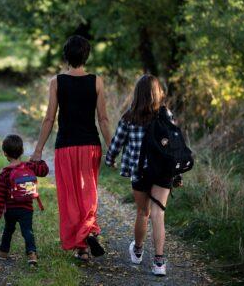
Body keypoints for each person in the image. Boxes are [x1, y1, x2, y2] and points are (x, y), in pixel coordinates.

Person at [30, 35, 113, 261]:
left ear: (66, 56)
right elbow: (103, 119)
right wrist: (112, 147)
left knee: (69, 196)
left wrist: (38, 150)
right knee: (88, 193)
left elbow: (49, 119)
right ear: (86, 56)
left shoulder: (57, 82)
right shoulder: (96, 81)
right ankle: (88, 231)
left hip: (65, 146)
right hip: (90, 146)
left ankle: (82, 247)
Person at [105, 74, 182, 276]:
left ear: (137, 94)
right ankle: (159, 263)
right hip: (163, 172)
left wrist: (110, 159)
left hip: (140, 172)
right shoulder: (167, 114)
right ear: (158, 93)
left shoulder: (130, 116)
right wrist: (177, 172)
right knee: (158, 214)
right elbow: (175, 144)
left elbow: (116, 143)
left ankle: (138, 251)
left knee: (143, 213)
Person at [0, 134, 49, 266]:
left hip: (11, 209)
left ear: (5, 153)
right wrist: (39, 160)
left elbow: (0, 194)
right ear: (22, 151)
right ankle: (32, 254)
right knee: (27, 231)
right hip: (26, 208)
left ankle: (3, 252)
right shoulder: (29, 166)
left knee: (8, 230)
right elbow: (44, 171)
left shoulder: (5, 172)